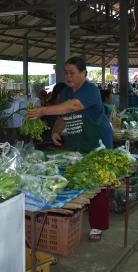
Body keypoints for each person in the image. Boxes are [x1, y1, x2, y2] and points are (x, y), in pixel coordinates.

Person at [27, 57, 113, 242]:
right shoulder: (66, 91)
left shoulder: (91, 90)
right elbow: (62, 114)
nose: (68, 76)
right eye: (66, 72)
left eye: (72, 72)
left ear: (83, 73)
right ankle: (78, 213)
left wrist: (42, 111)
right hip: (76, 142)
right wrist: (56, 131)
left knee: (98, 183)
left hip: (96, 142)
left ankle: (97, 226)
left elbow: (73, 106)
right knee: (77, 177)